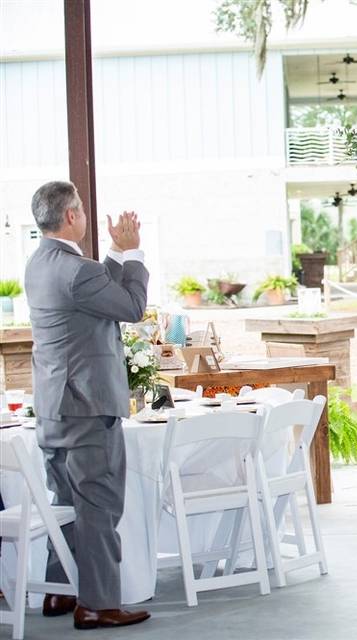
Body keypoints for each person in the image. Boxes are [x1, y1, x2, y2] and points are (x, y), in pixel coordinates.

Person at [24, 181, 151, 629]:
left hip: (55, 406)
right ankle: (98, 603)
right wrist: (133, 254)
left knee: (66, 500)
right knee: (98, 505)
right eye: (81, 209)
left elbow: (99, 297)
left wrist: (115, 254)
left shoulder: (40, 264)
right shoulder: (76, 271)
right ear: (71, 216)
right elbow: (132, 307)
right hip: (87, 406)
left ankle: (60, 594)